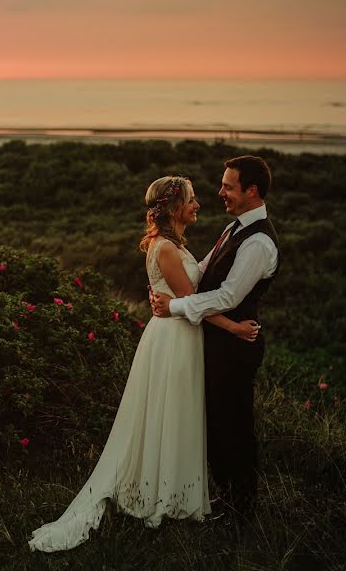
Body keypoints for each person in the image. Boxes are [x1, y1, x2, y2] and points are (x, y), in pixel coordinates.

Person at [28, 176, 260, 553]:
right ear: (173, 207)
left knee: (173, 412)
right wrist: (233, 327)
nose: (198, 204)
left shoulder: (171, 245)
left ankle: (172, 491)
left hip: (176, 332)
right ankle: (165, 496)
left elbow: (188, 291)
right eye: (191, 199)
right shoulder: (166, 248)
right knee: (171, 412)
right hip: (174, 338)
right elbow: (190, 299)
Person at [151, 155, 280, 519]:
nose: (220, 191)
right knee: (216, 425)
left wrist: (173, 307)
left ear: (251, 190)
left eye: (228, 186)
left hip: (238, 347)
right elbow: (203, 270)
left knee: (234, 427)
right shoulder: (234, 228)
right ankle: (224, 497)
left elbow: (228, 297)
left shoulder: (258, 243)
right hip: (216, 343)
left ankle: (242, 508)